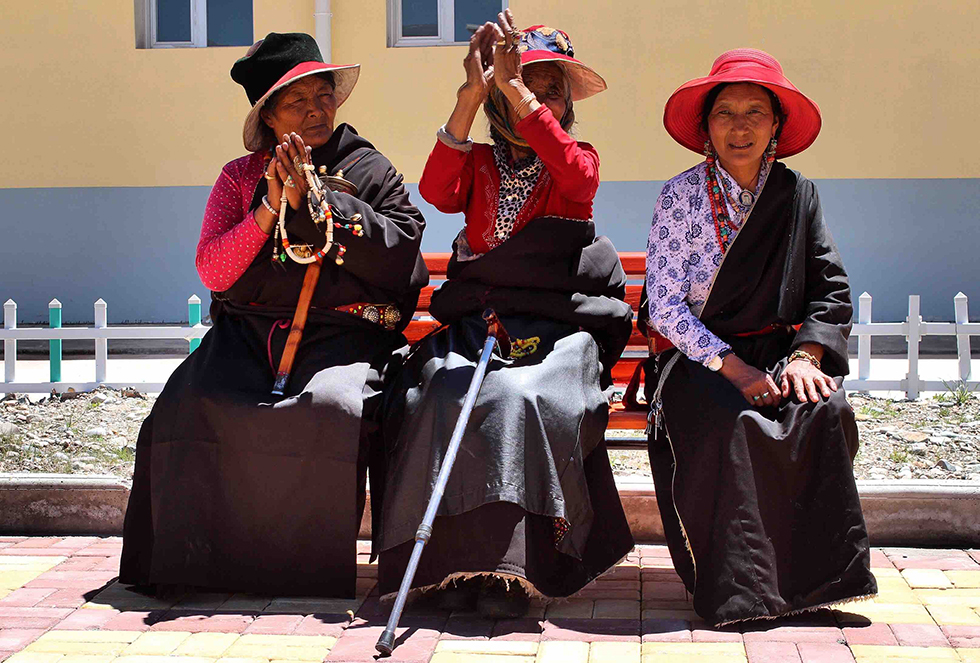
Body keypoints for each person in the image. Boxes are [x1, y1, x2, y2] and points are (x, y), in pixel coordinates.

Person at [119, 32, 427, 597]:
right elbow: (214, 270)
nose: (316, 111)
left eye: (323, 96)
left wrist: (321, 204)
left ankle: (303, 573)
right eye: (297, 102)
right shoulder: (238, 177)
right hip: (246, 337)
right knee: (186, 406)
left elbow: (403, 250)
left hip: (340, 338)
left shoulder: (368, 168)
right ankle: (197, 566)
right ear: (268, 117)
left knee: (331, 407)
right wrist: (269, 205)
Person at [375, 11, 635, 619]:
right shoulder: (479, 163)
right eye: (523, 84)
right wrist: (472, 92)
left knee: (519, 398)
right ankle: (448, 568)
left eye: (551, 88)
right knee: (440, 393)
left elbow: (576, 176)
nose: (536, 97)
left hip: (561, 332)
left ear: (565, 105)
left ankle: (513, 571)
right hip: (483, 324)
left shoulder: (578, 159)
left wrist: (515, 87)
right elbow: (438, 192)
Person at [640, 48, 877, 626]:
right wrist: (734, 369)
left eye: (755, 112)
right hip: (698, 358)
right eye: (725, 112)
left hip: (779, 352)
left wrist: (805, 354)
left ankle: (815, 586)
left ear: (776, 125)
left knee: (821, 411)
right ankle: (741, 594)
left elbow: (830, 285)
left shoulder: (797, 195)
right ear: (706, 127)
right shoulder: (679, 195)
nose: (740, 127)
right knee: (734, 422)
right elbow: (665, 306)